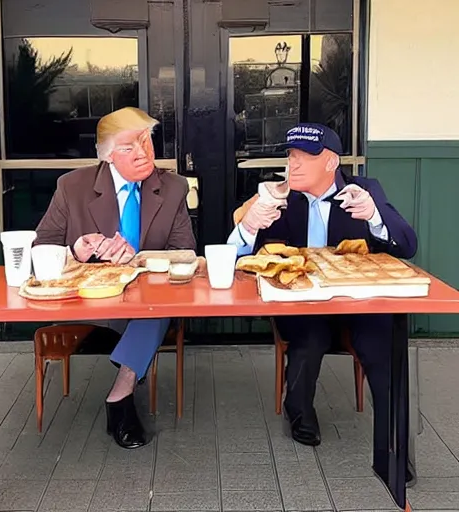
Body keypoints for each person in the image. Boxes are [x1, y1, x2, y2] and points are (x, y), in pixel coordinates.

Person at [228, 123, 417, 454]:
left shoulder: (363, 190)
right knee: (309, 336)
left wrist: (374, 215)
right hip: (304, 304)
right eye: (290, 156)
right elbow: (236, 257)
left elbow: (407, 244)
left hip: (356, 303)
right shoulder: (281, 197)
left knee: (382, 337)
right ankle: (299, 412)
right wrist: (248, 225)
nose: (293, 164)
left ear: (331, 162)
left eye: (305, 157)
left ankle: (395, 442)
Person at [35, 107, 196, 449]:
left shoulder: (173, 187)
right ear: (107, 155)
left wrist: (138, 259)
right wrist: (76, 251)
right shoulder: (72, 187)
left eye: (146, 141)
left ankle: (120, 397)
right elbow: (40, 249)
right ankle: (128, 381)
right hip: (90, 300)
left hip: (148, 302)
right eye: (128, 147)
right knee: (153, 310)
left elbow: (185, 254)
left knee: (157, 307)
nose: (142, 152)